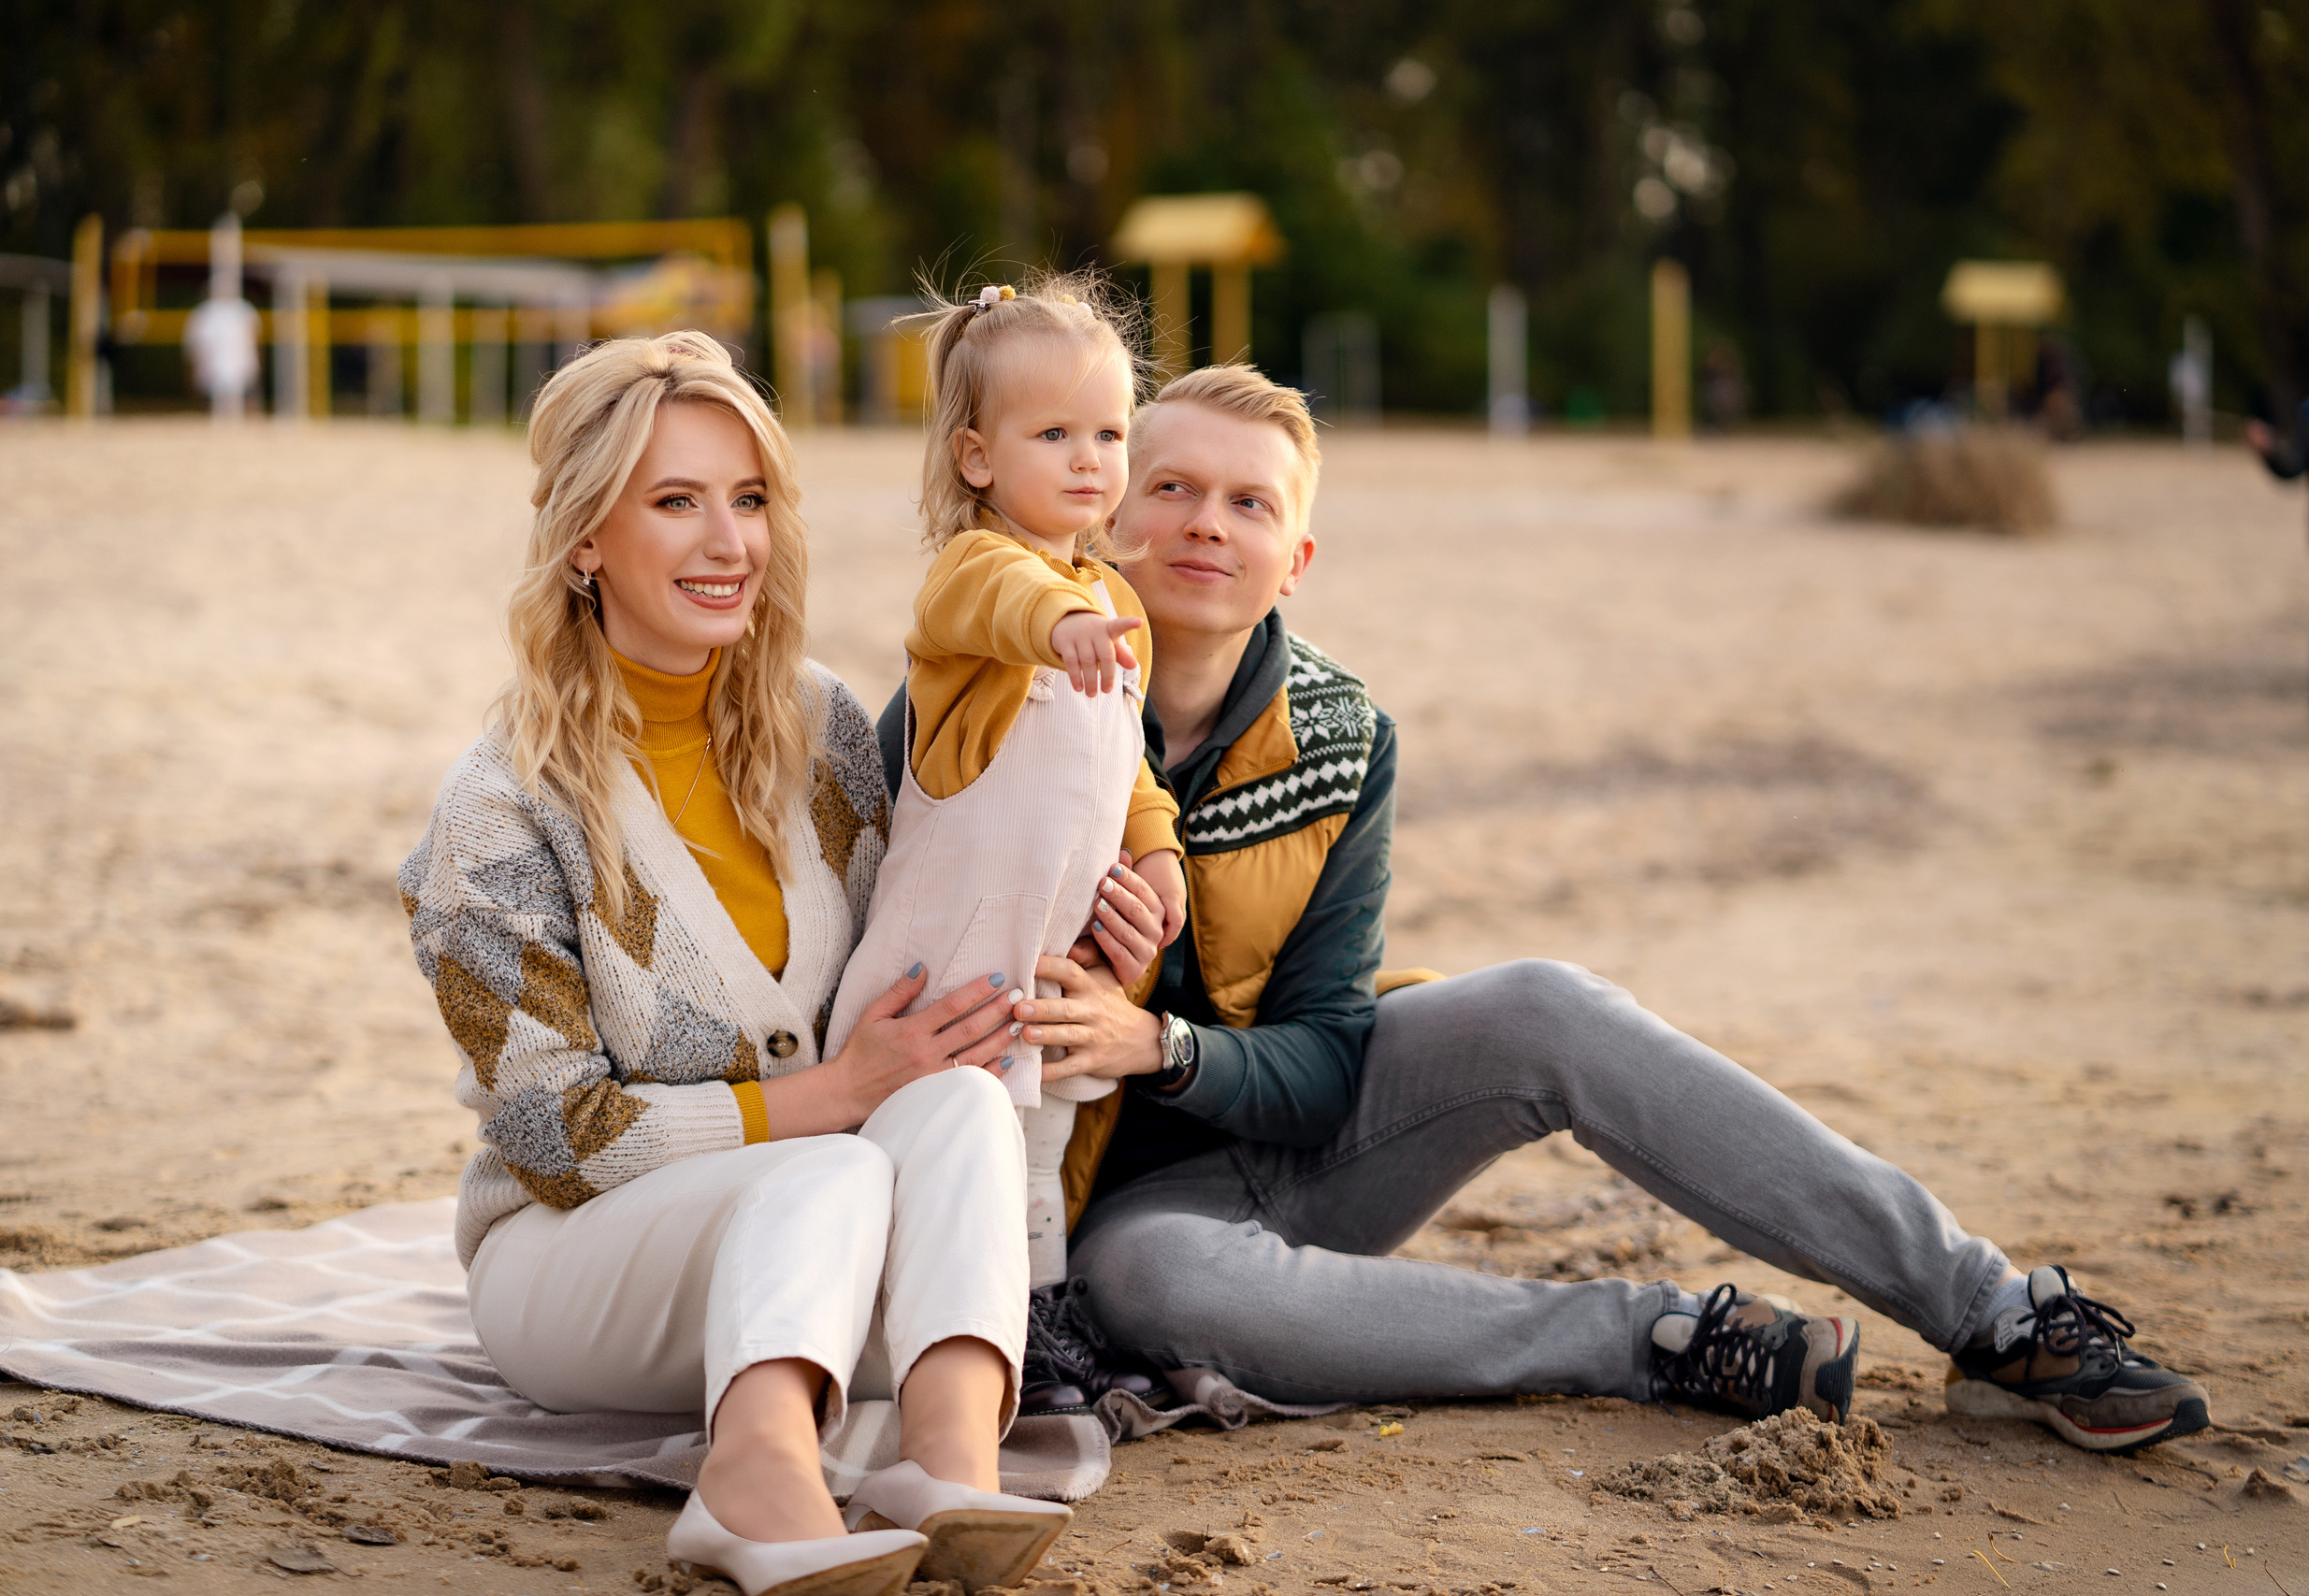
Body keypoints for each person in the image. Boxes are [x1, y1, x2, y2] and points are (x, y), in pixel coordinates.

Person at [879, 364, 2214, 1456]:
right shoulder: (978, 694)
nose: (1203, 525)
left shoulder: (1344, 736)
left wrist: (1159, 1044)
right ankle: (1659, 1338)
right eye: (1168, 486)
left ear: (1296, 558)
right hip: (1101, 1215)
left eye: (1248, 503)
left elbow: (1330, 1065)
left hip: (1292, 1143)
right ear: (1104, 506)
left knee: (1544, 1004)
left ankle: (1993, 1310)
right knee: (1154, 1282)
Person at [398, 330, 1076, 1596]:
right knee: (829, 1157)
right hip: (577, 1266)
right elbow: (553, 1136)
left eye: (750, 499)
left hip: (815, 1256)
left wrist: (1096, 925)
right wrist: (823, 1096)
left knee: (962, 1103)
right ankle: (754, 1472)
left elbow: (908, 964)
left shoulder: (819, 726)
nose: (729, 543)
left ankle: (947, 1463)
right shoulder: (498, 809)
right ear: (585, 539)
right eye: (677, 502)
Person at [823, 276, 1186, 1314]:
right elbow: (1004, 599)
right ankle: (911, 1306)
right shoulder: (971, 575)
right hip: (951, 951)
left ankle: (1033, 1319)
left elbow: (1126, 760)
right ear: (977, 457)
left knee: (1039, 1150)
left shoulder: (1113, 598)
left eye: (1109, 435)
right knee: (943, 1144)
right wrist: (1059, 624)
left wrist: (1159, 852)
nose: (1088, 459)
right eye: (1054, 434)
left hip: (1051, 953)